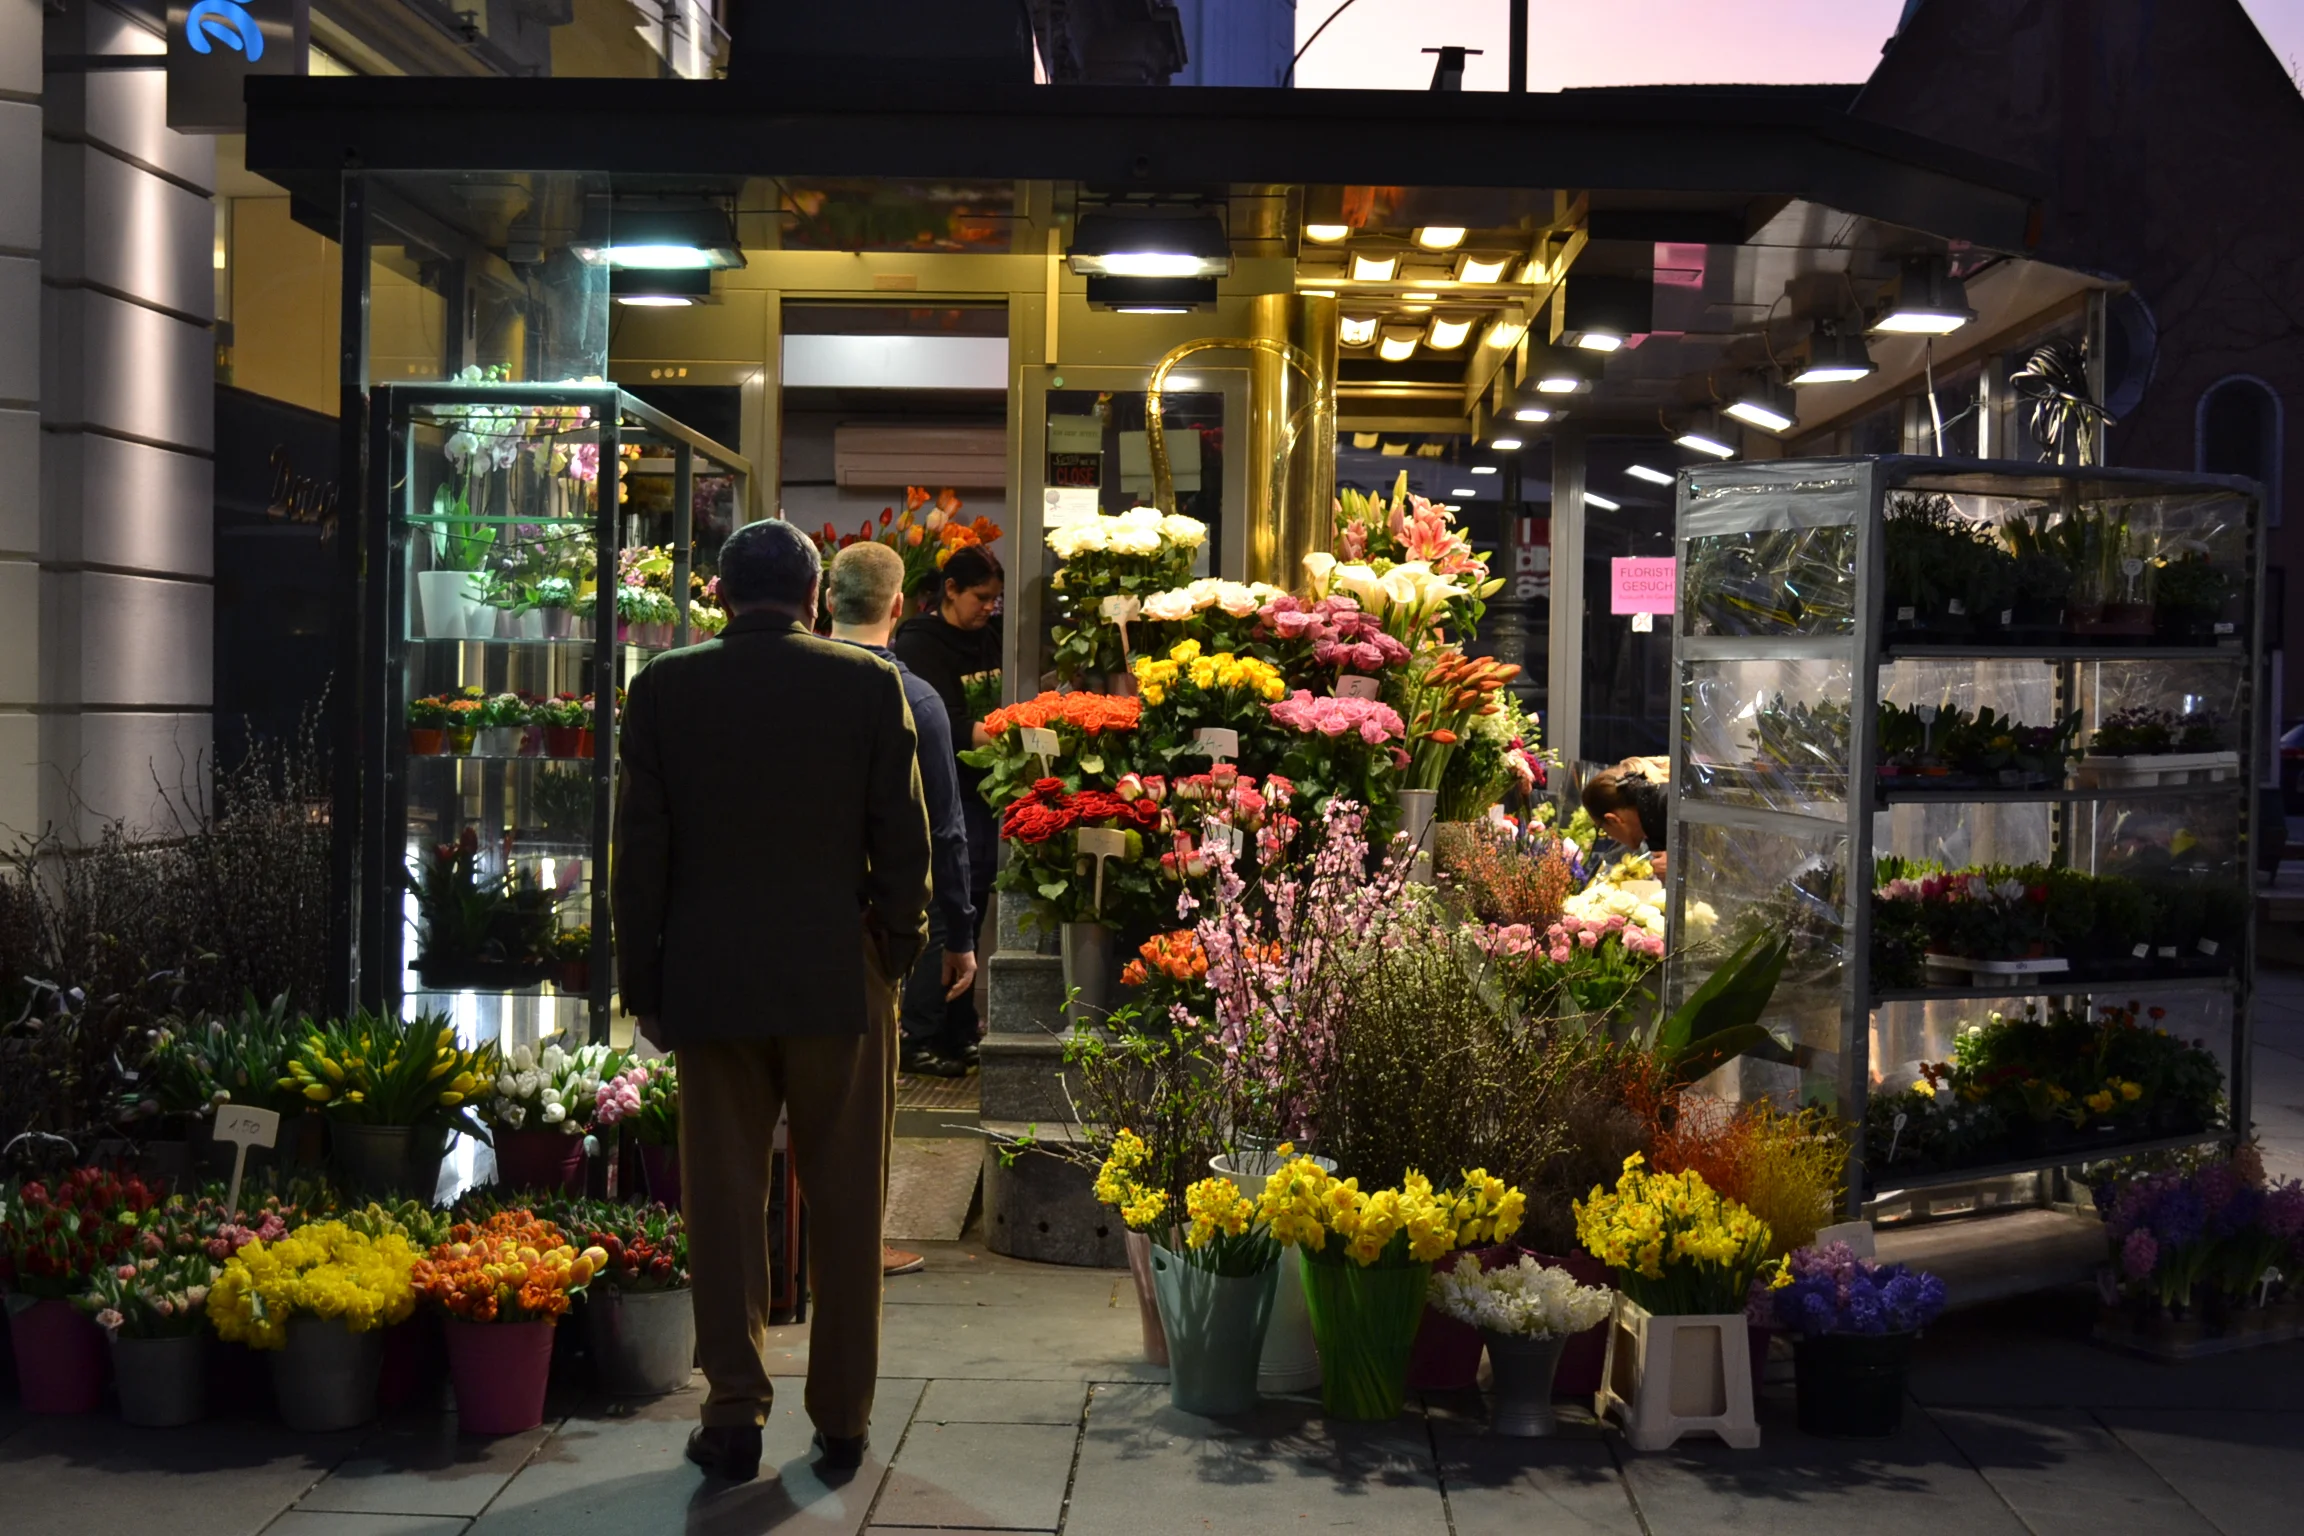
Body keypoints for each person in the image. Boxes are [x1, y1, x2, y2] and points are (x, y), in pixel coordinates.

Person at [612, 518, 931, 1484]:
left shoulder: (664, 687)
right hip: (840, 976)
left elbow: (643, 857)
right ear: (811, 600)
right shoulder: (867, 684)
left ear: (716, 594)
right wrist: (896, 949)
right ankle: (840, 1416)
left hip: (712, 984)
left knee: (723, 1204)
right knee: (847, 1203)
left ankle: (734, 1411)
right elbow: (904, 839)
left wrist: (646, 985)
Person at [825, 541, 979, 1277]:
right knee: (860, 1104)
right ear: (898, 607)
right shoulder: (914, 700)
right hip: (867, 934)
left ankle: (790, 1238)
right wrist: (957, 932)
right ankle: (858, 1245)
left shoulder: (791, 683)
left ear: (827, 602)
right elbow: (943, 830)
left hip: (775, 923)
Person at [892, 544, 1004, 1063]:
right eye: (980, 597)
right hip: (942, 790)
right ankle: (919, 1033)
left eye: (995, 600)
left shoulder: (995, 638)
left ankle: (958, 1030)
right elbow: (945, 726)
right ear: (950, 591)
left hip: (982, 797)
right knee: (942, 912)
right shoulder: (920, 644)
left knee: (970, 909)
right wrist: (1006, 731)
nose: (988, 608)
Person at [1580, 758, 1670, 876]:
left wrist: (1681, 866)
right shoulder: (1654, 819)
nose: (1612, 838)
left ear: (1612, 820)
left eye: (1605, 830)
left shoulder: (1669, 806)